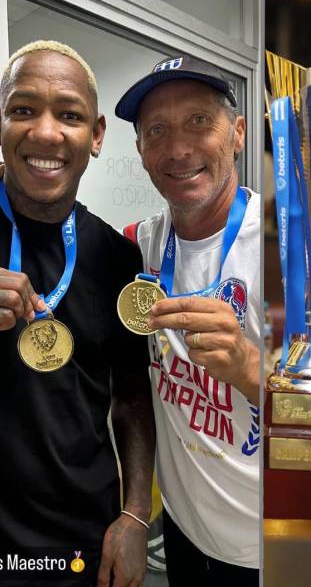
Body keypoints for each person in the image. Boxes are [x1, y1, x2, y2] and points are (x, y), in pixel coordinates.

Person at [0, 40, 154, 586]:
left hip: (81, 545)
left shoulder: (119, 259)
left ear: (96, 136)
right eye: (23, 109)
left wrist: (135, 516)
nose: (45, 132)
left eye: (68, 115)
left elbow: (133, 398)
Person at [114, 55, 260, 585]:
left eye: (200, 121)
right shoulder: (136, 246)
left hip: (267, 545)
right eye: (158, 130)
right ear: (141, 152)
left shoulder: (291, 252)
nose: (178, 149)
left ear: (238, 132)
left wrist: (250, 370)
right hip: (181, 528)